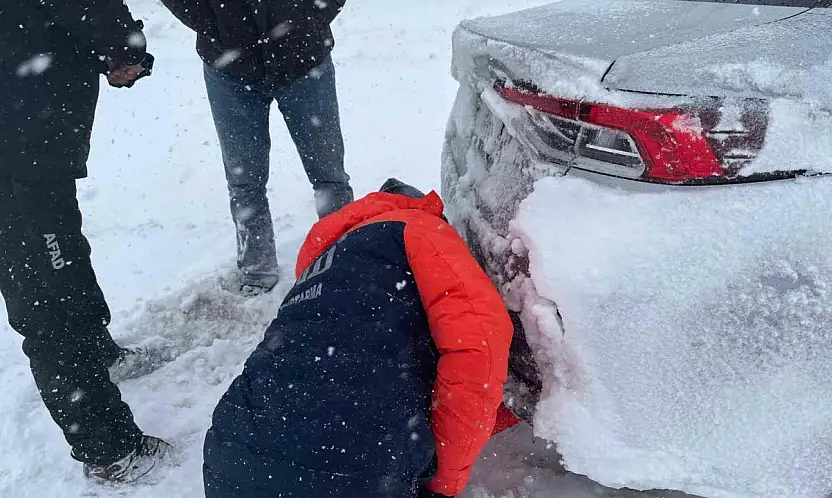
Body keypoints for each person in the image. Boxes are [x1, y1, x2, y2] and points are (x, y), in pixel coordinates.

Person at [202, 178, 514, 497]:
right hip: (352, 465)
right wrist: (444, 481)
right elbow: (479, 350)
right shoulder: (420, 229)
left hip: (229, 457)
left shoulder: (324, 265)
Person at [0, 0, 171, 482]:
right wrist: (125, 53)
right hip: (21, 150)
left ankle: (98, 353)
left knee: (63, 257)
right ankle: (109, 448)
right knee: (44, 296)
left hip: (31, 144)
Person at [160, 0, 354, 297]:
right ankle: (257, 271)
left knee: (329, 174)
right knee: (244, 180)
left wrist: (310, 17)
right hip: (229, 67)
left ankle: (342, 259)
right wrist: (212, 23)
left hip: (304, 58)